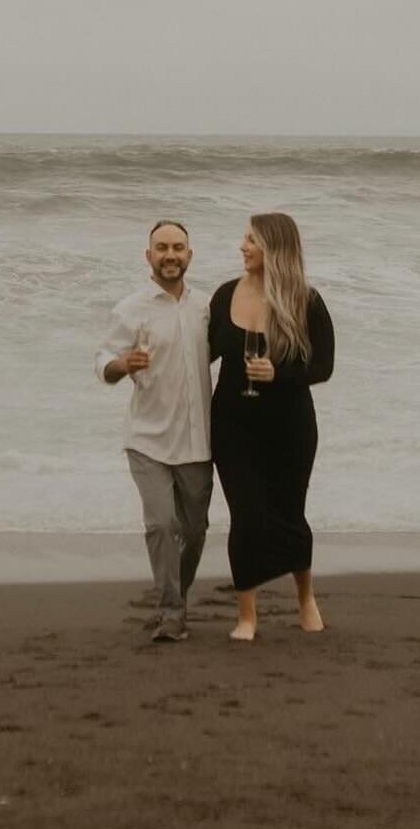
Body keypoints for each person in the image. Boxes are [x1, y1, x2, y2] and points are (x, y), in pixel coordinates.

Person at [209, 211, 334, 642]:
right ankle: (247, 616)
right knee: (245, 516)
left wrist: (277, 375)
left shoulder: (307, 301)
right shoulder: (225, 294)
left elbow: (324, 367)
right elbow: (200, 353)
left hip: (290, 427)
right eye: (243, 238)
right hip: (232, 426)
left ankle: (306, 599)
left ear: (274, 249)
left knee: (289, 514)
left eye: (251, 240)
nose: (242, 247)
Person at [94, 219, 213, 642]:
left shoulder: (206, 307)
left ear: (189, 255)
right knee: (161, 524)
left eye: (178, 248)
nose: (170, 255)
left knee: (196, 532)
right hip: (147, 438)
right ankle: (170, 611)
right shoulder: (130, 309)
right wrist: (122, 365)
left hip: (198, 441)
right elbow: (103, 362)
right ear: (148, 256)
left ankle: (172, 596)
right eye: (161, 248)